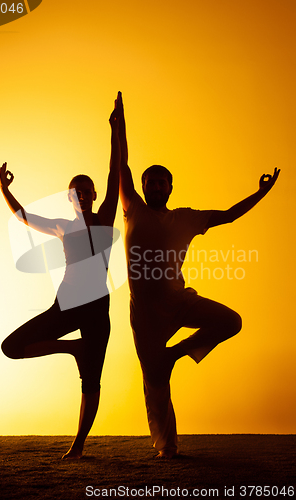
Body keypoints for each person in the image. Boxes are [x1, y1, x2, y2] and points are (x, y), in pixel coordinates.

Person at [117, 93, 280, 458]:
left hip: (180, 301)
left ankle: (176, 353)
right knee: (155, 383)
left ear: (171, 188)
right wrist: (118, 126)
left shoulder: (188, 217)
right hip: (144, 313)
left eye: (163, 183)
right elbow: (121, 166)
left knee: (231, 321)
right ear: (143, 189)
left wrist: (261, 192)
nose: (157, 187)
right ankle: (167, 448)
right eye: (151, 182)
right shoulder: (133, 211)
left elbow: (229, 215)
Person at [0, 93, 121, 460]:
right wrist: (5, 189)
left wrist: (116, 129)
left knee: (92, 380)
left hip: (97, 306)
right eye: (76, 191)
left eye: (88, 190)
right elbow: (23, 216)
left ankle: (78, 446)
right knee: (12, 347)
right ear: (70, 198)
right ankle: (73, 348)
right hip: (66, 304)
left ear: (96, 195)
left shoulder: (105, 219)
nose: (83, 194)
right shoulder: (62, 226)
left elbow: (117, 168)